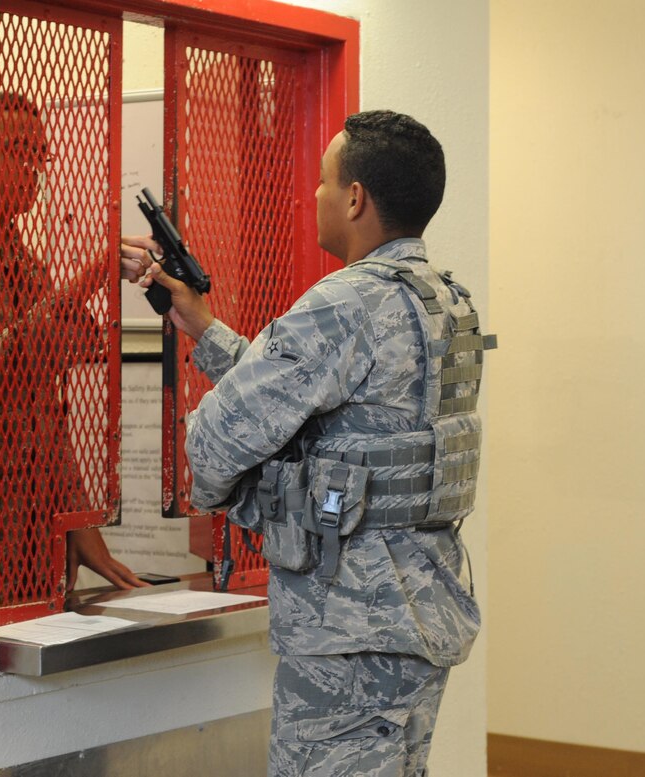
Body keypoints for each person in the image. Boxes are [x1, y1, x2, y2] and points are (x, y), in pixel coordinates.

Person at [123, 110, 493, 776]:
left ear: (355, 198)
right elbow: (337, 414)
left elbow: (213, 441)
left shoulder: (342, 302)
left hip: (346, 633)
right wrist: (203, 327)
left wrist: (241, 500)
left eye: (324, 182)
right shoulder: (444, 299)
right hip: (421, 615)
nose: (313, 196)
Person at [0, 92, 147, 591]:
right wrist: (89, 278)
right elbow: (0, 363)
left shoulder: (25, 262)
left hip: (39, 508)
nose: (33, 170)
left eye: (38, 155)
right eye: (18, 151)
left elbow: (50, 398)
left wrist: (78, 516)